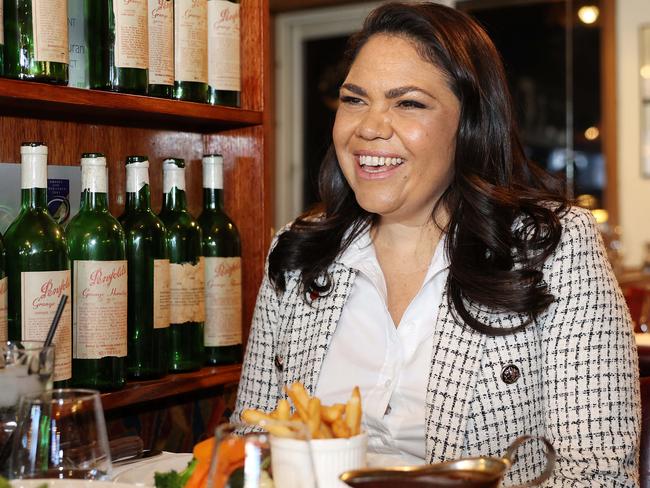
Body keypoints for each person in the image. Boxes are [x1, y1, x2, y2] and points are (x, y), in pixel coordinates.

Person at [233, 2, 640, 486]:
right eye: (354, 99)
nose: (369, 127)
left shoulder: (552, 246)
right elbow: (247, 448)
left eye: (408, 103)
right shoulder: (297, 251)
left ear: (468, 124)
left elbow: (599, 474)